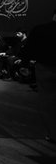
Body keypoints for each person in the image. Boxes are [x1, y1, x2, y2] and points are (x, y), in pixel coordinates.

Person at [23, 9, 56, 144]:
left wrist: (24, 64)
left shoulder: (40, 30)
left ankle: (53, 134)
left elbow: (29, 48)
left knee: (47, 101)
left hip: (45, 68)